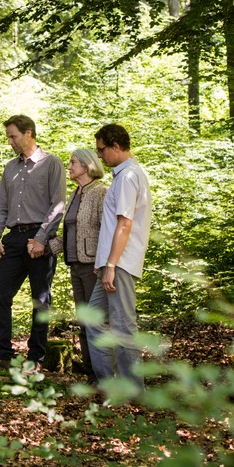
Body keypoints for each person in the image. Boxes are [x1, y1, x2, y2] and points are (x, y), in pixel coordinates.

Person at [0, 115, 66, 372]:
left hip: (40, 237)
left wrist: (42, 239)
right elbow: (1, 207)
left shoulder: (51, 163)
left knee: (40, 300)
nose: (10, 141)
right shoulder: (10, 168)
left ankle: (36, 357)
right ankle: (3, 355)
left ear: (28, 133)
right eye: (8, 137)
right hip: (13, 238)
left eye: (13, 136)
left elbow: (57, 206)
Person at [86, 123, 151, 393]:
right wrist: (102, 263)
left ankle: (134, 391)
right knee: (93, 320)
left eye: (101, 150)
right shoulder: (121, 176)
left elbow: (125, 224)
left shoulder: (128, 176)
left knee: (124, 326)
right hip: (111, 264)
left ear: (115, 146)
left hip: (121, 263)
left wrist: (111, 264)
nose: (99, 156)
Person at [48, 148, 107, 381]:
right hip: (75, 265)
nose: (69, 167)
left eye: (73, 163)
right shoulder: (75, 194)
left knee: (96, 322)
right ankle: (92, 371)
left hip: (93, 266)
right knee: (84, 321)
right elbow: (71, 233)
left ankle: (105, 376)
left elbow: (107, 230)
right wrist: (44, 247)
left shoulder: (101, 192)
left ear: (87, 165)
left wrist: (103, 263)